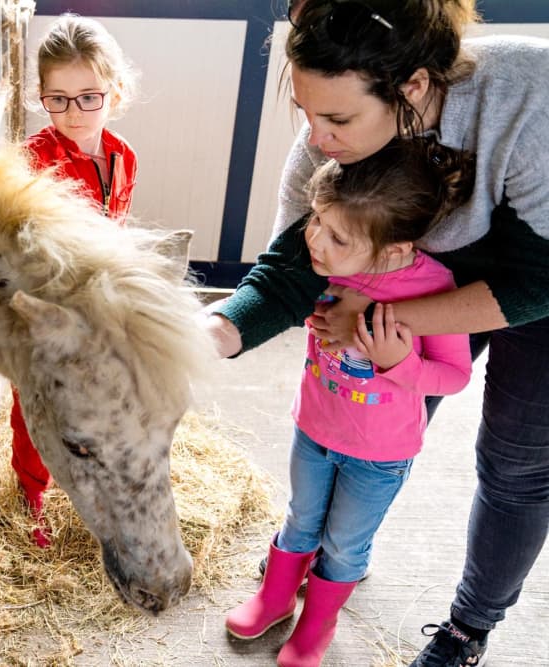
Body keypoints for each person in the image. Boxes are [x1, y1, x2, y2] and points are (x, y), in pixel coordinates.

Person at [205, 1, 549, 665]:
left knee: (515, 466)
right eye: (307, 112)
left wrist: (374, 323)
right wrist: (211, 332)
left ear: (412, 87)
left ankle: (467, 627)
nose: (317, 137)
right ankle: (337, 551)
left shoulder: (527, 99)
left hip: (535, 275)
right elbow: (294, 269)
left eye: (336, 118)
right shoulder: (328, 144)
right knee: (380, 428)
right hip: (415, 277)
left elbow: (537, 283)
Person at [224, 136, 473, 667]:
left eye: (335, 234)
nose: (313, 238)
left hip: (380, 454)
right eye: (315, 219)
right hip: (313, 429)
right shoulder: (329, 267)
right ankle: (274, 598)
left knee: (343, 545)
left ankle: (319, 620)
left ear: (395, 250)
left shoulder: (437, 288)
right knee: (300, 519)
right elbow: (272, 292)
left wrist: (399, 365)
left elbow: (454, 376)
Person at [12, 13, 139, 547]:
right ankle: (29, 493)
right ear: (41, 96)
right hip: (45, 304)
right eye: (57, 98)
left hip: (96, 303)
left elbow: (117, 230)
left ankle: (87, 481)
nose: (73, 112)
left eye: (88, 96)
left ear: (114, 91)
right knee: (36, 399)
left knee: (91, 397)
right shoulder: (33, 161)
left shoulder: (123, 157)